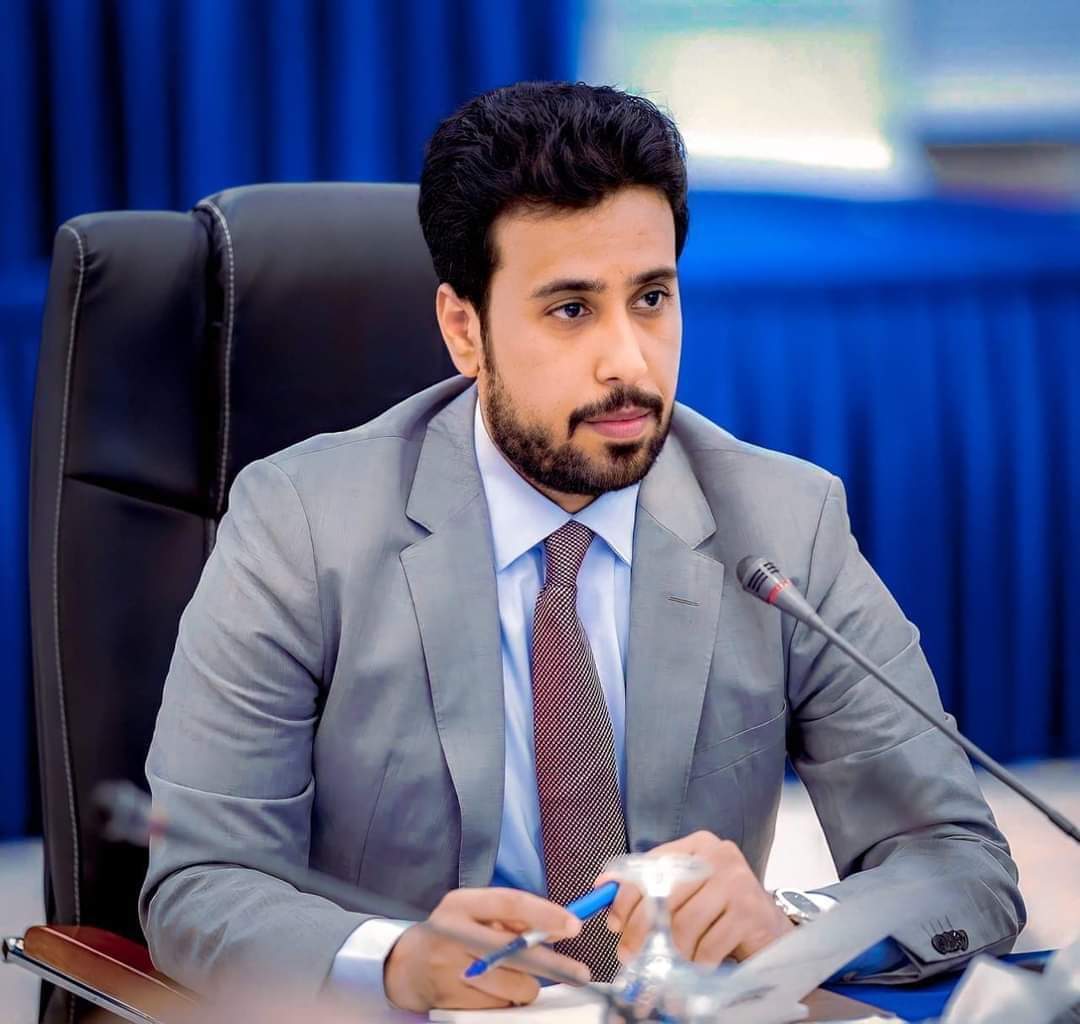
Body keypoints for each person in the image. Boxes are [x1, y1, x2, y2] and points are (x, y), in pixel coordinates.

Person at [141, 82, 1025, 1014]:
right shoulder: (300, 524)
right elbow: (201, 884)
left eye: (651, 298)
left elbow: (958, 863)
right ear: (464, 330)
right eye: (571, 310)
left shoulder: (783, 523)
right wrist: (398, 959)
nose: (630, 362)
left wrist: (791, 923)